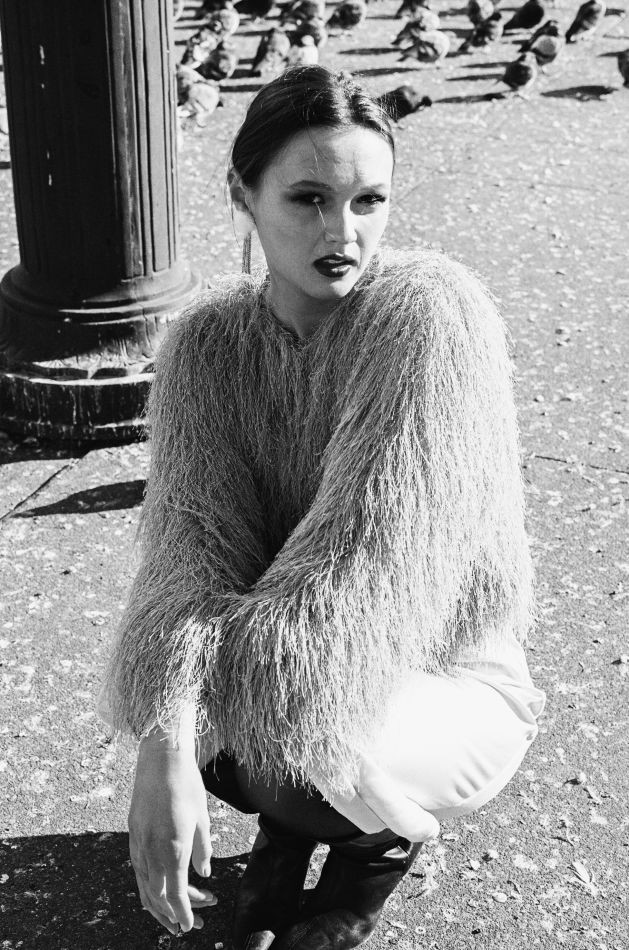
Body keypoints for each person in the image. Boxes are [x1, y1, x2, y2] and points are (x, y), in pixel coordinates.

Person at [99, 65, 546, 950]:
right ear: (243, 196)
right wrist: (163, 737)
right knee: (197, 726)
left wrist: (185, 696)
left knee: (273, 740)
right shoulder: (205, 343)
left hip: (441, 673)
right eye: (308, 199)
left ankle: (371, 851)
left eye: (368, 200)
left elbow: (361, 573)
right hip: (290, 653)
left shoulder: (430, 316)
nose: (343, 233)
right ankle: (291, 828)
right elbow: (189, 544)